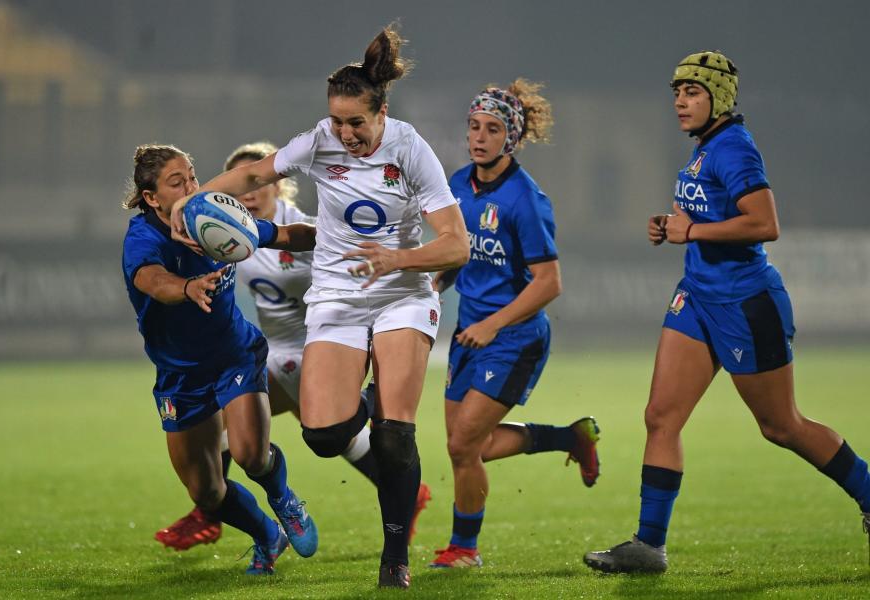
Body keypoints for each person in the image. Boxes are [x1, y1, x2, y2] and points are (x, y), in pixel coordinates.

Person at [170, 26, 469, 589]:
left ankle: (394, 558)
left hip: (402, 292)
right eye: (337, 120)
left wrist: (398, 259)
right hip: (336, 295)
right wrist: (196, 198)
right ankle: (369, 401)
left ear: (381, 113)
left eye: (356, 122)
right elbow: (255, 172)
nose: (345, 133)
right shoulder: (319, 141)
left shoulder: (410, 150)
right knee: (324, 436)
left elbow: (456, 244)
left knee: (393, 436)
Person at [583, 51, 870, 574]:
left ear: (719, 98)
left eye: (692, 92)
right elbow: (704, 215)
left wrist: (690, 231)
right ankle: (649, 546)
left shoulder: (734, 147)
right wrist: (672, 225)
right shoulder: (701, 150)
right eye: (677, 92)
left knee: (781, 426)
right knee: (661, 417)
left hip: (745, 303)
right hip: (696, 297)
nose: (680, 102)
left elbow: (764, 223)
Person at [155, 141, 432, 551]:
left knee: (280, 431)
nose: (249, 193)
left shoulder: (302, 231)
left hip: (317, 349)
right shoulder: (226, 232)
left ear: (276, 185)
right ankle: (209, 513)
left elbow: (354, 271)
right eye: (239, 188)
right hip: (277, 352)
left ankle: (209, 514)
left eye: (258, 183)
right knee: (240, 430)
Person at [121, 144, 319, 576]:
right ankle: (268, 535)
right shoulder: (143, 237)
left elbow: (284, 235)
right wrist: (186, 288)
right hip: (180, 376)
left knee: (250, 455)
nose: (192, 187)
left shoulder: (213, 212)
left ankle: (284, 499)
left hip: (235, 356)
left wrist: (339, 237)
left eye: (192, 176)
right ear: (152, 198)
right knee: (206, 492)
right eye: (178, 183)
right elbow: (150, 280)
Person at [427, 80, 600, 569]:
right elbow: (463, 254)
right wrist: (439, 283)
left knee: (463, 445)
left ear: (512, 138)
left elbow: (549, 283)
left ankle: (465, 549)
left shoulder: (527, 200)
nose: (479, 137)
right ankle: (571, 437)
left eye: (493, 129)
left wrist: (494, 324)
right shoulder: (458, 185)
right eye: (474, 127)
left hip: (515, 337)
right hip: (470, 335)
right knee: (468, 446)